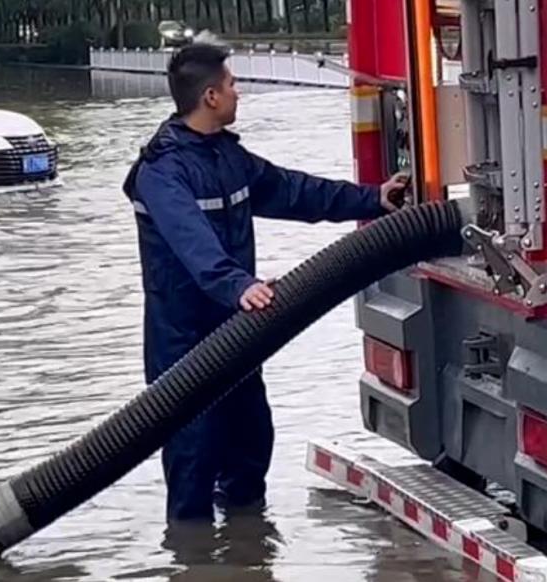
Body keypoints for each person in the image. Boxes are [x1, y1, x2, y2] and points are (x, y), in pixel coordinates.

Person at [122, 42, 409, 522]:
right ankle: (193, 559)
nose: (239, 92)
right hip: (184, 342)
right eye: (233, 84)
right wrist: (238, 285)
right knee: (194, 459)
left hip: (237, 329)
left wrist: (371, 200)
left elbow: (294, 192)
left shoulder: (226, 157)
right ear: (210, 96)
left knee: (253, 443)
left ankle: (246, 551)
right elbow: (192, 243)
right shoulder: (162, 171)